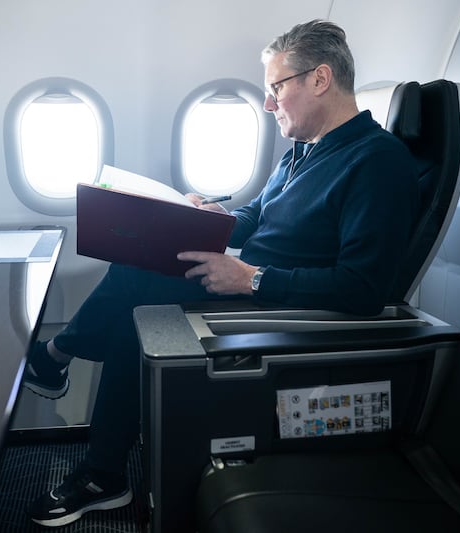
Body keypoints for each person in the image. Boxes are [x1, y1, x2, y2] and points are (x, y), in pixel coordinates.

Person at [25, 19, 419, 527]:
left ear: (319, 80)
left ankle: (66, 386)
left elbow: (366, 288)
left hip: (280, 307)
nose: (269, 105)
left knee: (137, 284)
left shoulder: (377, 162)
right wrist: (208, 217)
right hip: (250, 281)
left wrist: (250, 278)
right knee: (138, 266)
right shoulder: (303, 151)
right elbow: (257, 217)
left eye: (277, 88)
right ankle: (93, 447)